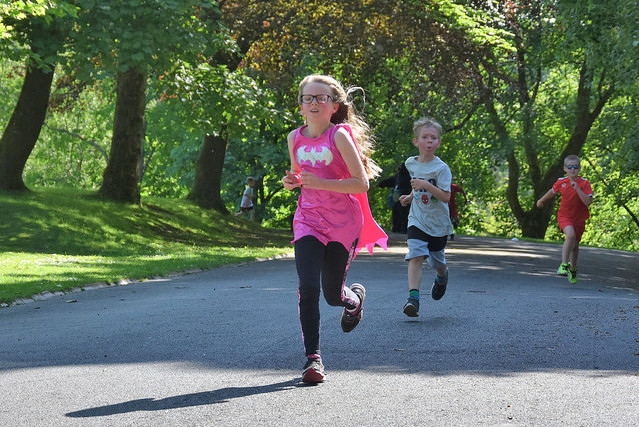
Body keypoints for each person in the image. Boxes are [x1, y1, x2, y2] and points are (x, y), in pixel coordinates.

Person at [282, 74, 387, 384]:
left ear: (334, 106)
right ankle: (313, 360)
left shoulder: (339, 136)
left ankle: (354, 301)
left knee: (331, 295)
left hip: (342, 223)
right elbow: (299, 176)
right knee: (308, 287)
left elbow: (361, 183)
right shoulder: (294, 138)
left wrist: (323, 183)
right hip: (308, 220)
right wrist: (293, 182)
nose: (314, 102)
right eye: (308, 98)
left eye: (321, 98)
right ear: (300, 106)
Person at [398, 117, 453, 317]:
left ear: (438, 143)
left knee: (436, 263)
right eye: (425, 137)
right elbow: (417, 186)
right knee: (416, 255)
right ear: (416, 141)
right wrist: (410, 197)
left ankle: (442, 276)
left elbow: (445, 197)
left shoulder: (442, 168)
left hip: (438, 224)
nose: (429, 141)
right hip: (417, 219)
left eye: (433, 138)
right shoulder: (410, 163)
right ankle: (413, 298)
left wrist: (427, 186)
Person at [536, 154, 593, 284]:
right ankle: (563, 264)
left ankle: (573, 268)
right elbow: (552, 191)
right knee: (570, 235)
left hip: (579, 218)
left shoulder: (584, 183)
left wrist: (577, 188)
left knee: (575, 245)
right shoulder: (561, 182)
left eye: (576, 167)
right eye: (570, 167)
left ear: (579, 168)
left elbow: (588, 202)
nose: (573, 169)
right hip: (565, 216)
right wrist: (541, 200)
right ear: (565, 168)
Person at [377, 163, 411, 233]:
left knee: (404, 215)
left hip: (406, 198)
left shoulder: (407, 176)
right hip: (398, 199)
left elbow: (392, 181)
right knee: (397, 214)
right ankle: (397, 229)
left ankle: (404, 230)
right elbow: (391, 181)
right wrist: (381, 184)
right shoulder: (399, 176)